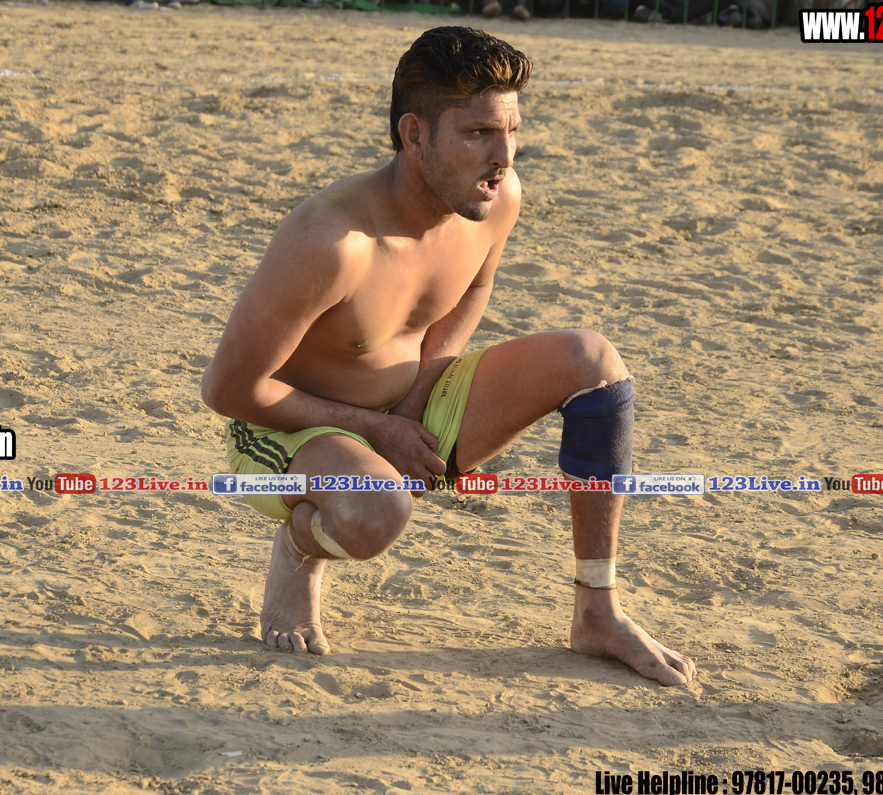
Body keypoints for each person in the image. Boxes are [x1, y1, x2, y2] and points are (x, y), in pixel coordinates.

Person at [200, 27, 696, 687]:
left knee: (593, 362)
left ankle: (597, 611)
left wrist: (417, 397)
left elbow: (472, 290)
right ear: (414, 136)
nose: (504, 156)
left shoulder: (497, 199)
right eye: (478, 133)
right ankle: (298, 546)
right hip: (289, 428)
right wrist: (379, 430)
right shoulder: (330, 240)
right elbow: (229, 390)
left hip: (409, 406)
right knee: (376, 511)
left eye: (512, 131)